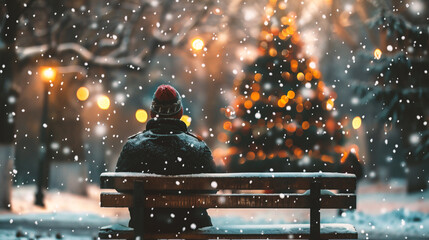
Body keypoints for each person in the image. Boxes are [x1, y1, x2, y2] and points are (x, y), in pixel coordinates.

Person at [115, 84, 216, 234]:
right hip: (190, 226)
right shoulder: (197, 147)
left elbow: (120, 185)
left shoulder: (133, 146)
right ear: (180, 112)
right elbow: (212, 187)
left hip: (146, 225)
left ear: (152, 113)